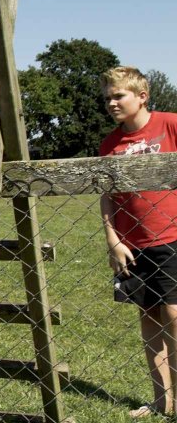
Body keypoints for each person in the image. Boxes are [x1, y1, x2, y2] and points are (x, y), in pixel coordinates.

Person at [99, 66, 177, 418]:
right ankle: (163, 401)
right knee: (149, 320)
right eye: (107, 98)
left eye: (119, 96)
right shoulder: (110, 144)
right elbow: (106, 196)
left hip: (172, 238)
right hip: (132, 245)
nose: (111, 103)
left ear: (142, 96)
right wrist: (113, 240)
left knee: (174, 315)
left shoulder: (169, 125)